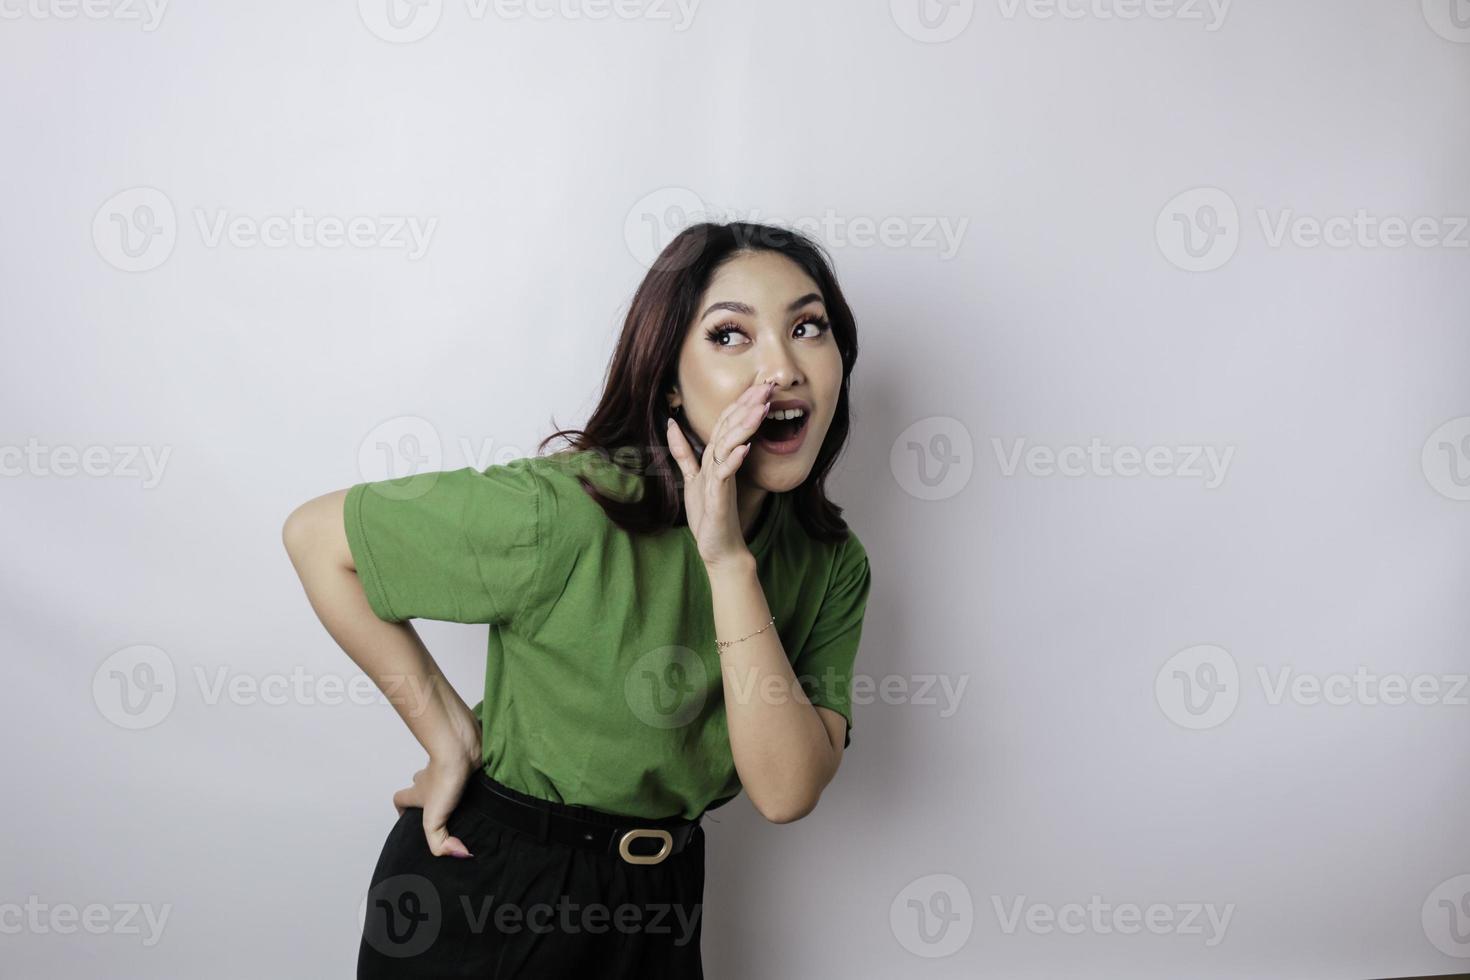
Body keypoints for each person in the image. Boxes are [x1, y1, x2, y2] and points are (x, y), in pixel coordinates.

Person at [282, 220, 874, 977]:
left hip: (662, 905)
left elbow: (787, 791)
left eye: (808, 327)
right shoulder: (569, 509)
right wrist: (447, 735)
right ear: (667, 377)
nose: (782, 368)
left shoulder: (831, 563)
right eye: (731, 336)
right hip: (493, 887)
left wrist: (728, 563)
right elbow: (317, 539)